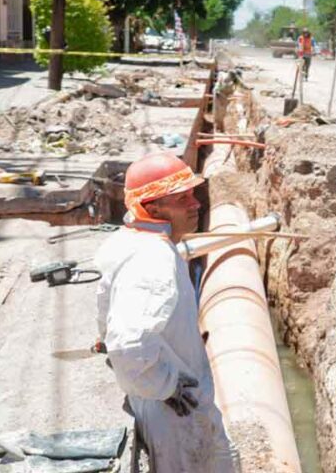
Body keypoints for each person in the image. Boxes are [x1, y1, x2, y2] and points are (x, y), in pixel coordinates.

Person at [95, 153, 236, 472]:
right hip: (175, 416)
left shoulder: (128, 241)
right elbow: (129, 345)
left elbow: (106, 313)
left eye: (193, 194)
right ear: (152, 207)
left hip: (166, 403)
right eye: (182, 198)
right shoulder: (153, 262)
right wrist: (168, 386)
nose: (196, 204)